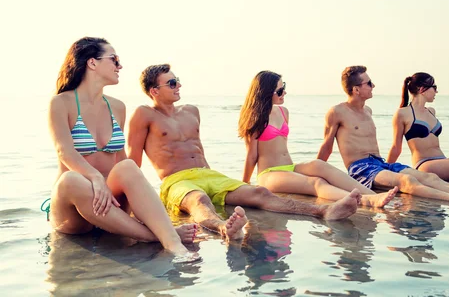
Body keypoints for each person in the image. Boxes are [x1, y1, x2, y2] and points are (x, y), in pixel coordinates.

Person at [126, 64, 359, 243]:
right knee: (199, 200)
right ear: (154, 91)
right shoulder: (144, 114)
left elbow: (199, 149)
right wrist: (135, 204)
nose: (179, 86)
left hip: (209, 174)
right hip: (176, 180)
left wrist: (234, 182)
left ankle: (324, 211)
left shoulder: (191, 111)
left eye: (177, 82)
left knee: (260, 192)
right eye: (172, 83)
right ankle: (222, 228)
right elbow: (133, 161)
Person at [48, 37, 198, 262]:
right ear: (92, 63)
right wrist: (96, 178)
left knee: (127, 166)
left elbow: (123, 164)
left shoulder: (117, 107)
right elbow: (64, 152)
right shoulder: (61, 103)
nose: (120, 66)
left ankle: (173, 245)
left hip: (111, 206)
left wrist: (149, 210)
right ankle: (161, 237)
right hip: (75, 212)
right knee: (71, 179)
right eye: (114, 60)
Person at [317, 65, 449, 205]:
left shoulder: (368, 111)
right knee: (408, 182)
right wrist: (317, 172)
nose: (373, 86)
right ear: (356, 89)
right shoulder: (337, 112)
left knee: (429, 177)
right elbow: (327, 146)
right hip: (361, 169)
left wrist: (389, 166)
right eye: (369, 83)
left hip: (381, 163)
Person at [238, 71, 398, 208]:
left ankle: (373, 195)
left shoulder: (283, 112)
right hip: (269, 174)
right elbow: (251, 156)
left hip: (290, 167)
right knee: (316, 182)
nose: (284, 93)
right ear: (266, 93)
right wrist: (244, 186)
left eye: (284, 87)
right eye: (280, 91)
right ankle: (365, 200)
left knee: (319, 165)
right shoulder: (256, 119)